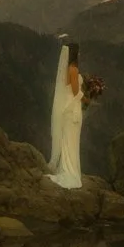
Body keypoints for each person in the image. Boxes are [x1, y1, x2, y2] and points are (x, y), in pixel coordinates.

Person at [47, 38, 85, 189]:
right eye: (79, 52)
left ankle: (66, 167)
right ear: (75, 54)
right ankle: (70, 170)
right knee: (71, 140)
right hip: (72, 107)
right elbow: (75, 91)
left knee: (68, 139)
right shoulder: (73, 69)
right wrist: (87, 98)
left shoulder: (68, 70)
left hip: (68, 106)